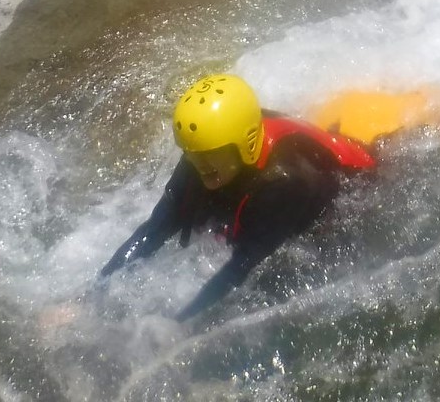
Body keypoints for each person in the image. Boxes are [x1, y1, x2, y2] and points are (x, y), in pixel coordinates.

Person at [101, 74, 375, 320]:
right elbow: (154, 230)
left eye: (210, 154)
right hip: (257, 173)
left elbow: (242, 266)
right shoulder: (203, 154)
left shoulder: (284, 181)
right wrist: (94, 295)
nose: (200, 164)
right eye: (192, 153)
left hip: (356, 183)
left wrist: (179, 324)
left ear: (245, 144)